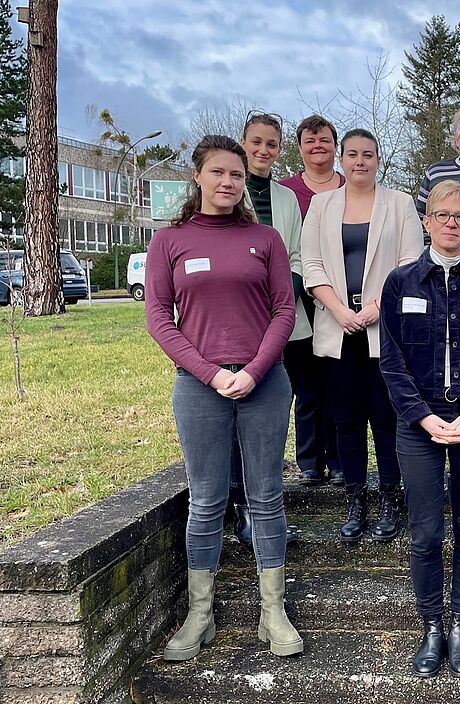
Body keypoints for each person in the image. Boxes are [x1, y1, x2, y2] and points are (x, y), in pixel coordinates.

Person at [146, 135, 302, 661]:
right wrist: (211, 374)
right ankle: (200, 613)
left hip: (264, 385)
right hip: (199, 388)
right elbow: (159, 320)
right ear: (198, 176)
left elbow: (285, 309)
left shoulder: (266, 238)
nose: (228, 183)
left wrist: (255, 370)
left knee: (266, 495)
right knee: (207, 498)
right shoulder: (169, 242)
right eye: (218, 173)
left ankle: (272, 611)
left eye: (236, 175)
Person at [380, 180, 460, 678]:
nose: (452, 222)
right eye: (443, 214)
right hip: (419, 421)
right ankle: (431, 623)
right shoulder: (401, 283)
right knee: (427, 530)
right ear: (427, 221)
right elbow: (390, 361)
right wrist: (424, 416)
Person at [302, 128, 423, 543]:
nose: (359, 162)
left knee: (386, 418)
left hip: (384, 329)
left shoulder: (400, 203)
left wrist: (374, 308)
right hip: (337, 331)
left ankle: (389, 496)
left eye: (367, 155)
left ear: (378, 159)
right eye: (351, 154)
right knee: (347, 420)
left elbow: (410, 263)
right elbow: (311, 263)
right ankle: (356, 498)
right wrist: (339, 310)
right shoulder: (321, 204)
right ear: (340, 157)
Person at [221, 112, 311, 546]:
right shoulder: (227, 193)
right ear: (243, 142)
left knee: (272, 419)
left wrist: (281, 300)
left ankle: (266, 507)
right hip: (235, 327)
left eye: (271, 144)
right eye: (255, 142)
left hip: (282, 323)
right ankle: (241, 505)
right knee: (235, 418)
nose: (263, 151)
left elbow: (295, 256)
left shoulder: (287, 199)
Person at [279, 114, 347, 486]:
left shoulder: (351, 187)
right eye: (310, 140)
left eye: (324, 140)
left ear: (335, 147)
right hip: (300, 300)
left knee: (336, 383)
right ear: (301, 147)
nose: (318, 146)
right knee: (306, 385)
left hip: (342, 300)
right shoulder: (287, 191)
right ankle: (309, 461)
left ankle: (338, 460)